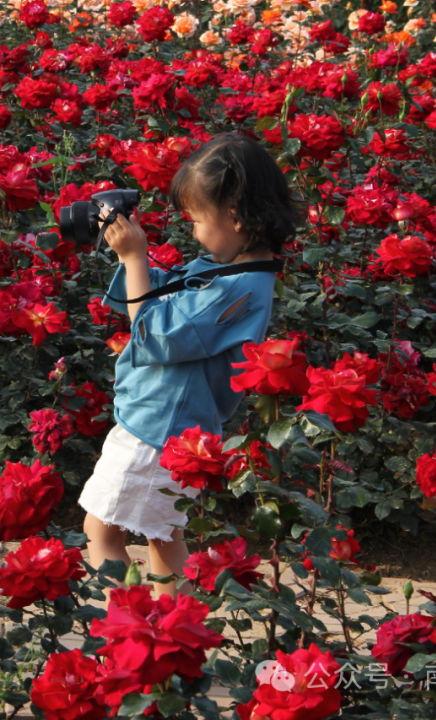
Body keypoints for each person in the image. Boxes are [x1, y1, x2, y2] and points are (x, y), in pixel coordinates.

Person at [77, 133, 302, 598]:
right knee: (162, 538)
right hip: (170, 427)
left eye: (197, 220)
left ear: (234, 217)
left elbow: (155, 335)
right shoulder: (237, 270)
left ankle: (130, 624)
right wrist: (129, 254)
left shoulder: (236, 288)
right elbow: (168, 297)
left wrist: (134, 256)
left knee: (101, 533)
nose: (194, 233)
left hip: (157, 429)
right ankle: (173, 625)